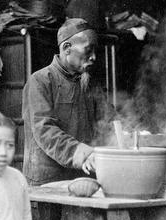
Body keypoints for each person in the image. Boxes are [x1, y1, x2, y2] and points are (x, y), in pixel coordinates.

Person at [22, 18, 108, 185]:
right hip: (47, 181)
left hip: (83, 178)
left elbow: (108, 120)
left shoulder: (90, 83)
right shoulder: (40, 81)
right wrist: (83, 154)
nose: (94, 57)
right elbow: (45, 131)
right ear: (67, 48)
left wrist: (131, 137)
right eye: (88, 50)